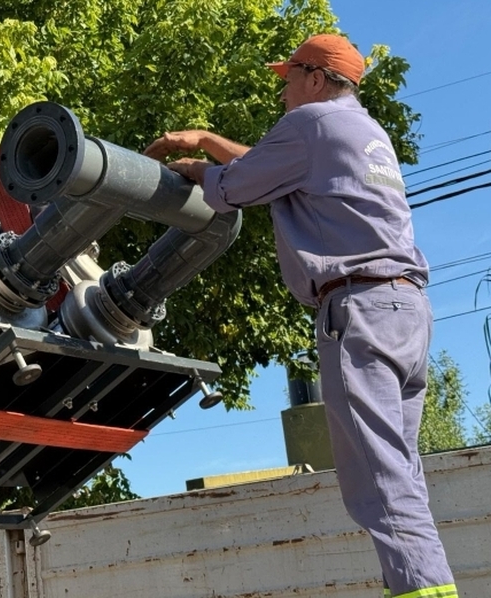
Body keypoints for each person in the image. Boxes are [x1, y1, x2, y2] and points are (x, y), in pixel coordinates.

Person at [144, 34, 458, 598]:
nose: (283, 92)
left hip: (358, 309)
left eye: (287, 79)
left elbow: (236, 187)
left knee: (379, 483)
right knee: (400, 475)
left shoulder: (310, 124)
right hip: (407, 311)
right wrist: (211, 139)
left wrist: (193, 164)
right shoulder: (362, 133)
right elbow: (275, 166)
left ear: (314, 79)